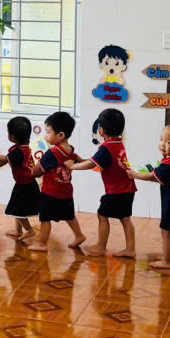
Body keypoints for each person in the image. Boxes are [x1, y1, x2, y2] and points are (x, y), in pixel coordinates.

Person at [67, 108, 137, 258]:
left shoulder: (106, 147)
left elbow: (91, 164)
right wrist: (80, 160)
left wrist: (72, 166)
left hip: (116, 191)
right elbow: (97, 161)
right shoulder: (118, 144)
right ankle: (131, 249)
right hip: (128, 189)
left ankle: (101, 247)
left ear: (101, 130)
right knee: (125, 218)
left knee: (102, 215)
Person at [128, 122, 170, 269]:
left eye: (167, 142)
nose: (162, 144)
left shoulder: (168, 163)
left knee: (166, 231)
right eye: (161, 139)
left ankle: (167, 261)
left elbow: (152, 177)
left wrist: (134, 174)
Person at [27, 111, 87, 252]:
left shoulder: (53, 153)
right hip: (66, 192)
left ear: (60, 135)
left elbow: (37, 171)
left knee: (45, 218)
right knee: (69, 216)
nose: (45, 136)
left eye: (48, 132)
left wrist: (31, 168)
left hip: (50, 192)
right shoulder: (70, 150)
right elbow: (79, 160)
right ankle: (79, 235)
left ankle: (42, 243)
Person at [0, 116, 37, 242]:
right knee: (18, 208)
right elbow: (6, 160)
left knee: (17, 210)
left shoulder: (18, 152)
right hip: (25, 184)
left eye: (8, 132)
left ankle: (29, 230)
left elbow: (5, 159)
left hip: (25, 186)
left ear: (13, 137)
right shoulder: (23, 147)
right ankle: (18, 230)